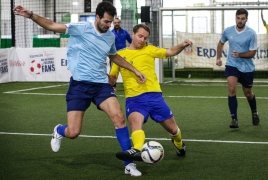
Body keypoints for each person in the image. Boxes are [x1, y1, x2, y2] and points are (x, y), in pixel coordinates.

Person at [13, 2, 146, 177]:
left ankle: (129, 164)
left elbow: (114, 56)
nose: (109, 25)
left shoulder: (110, 36)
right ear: (97, 17)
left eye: (111, 22)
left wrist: (134, 70)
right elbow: (52, 25)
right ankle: (59, 130)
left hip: (100, 85)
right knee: (73, 132)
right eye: (106, 21)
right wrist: (31, 15)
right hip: (79, 86)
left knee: (119, 118)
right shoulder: (80, 28)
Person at [108, 24, 192, 167]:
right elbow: (112, 78)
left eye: (145, 38)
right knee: (135, 124)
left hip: (155, 97)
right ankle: (136, 150)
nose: (142, 40)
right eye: (140, 36)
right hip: (134, 99)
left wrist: (182, 45)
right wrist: (107, 80)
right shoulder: (120, 55)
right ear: (133, 34)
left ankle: (179, 143)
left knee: (173, 130)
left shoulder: (150, 49)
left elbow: (170, 51)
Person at [216, 8, 260, 128]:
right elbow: (220, 43)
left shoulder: (251, 33)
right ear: (235, 18)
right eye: (238, 18)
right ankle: (234, 119)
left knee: (248, 93)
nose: (240, 21)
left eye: (243, 18)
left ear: (246, 19)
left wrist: (240, 54)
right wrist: (218, 58)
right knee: (232, 89)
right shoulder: (228, 31)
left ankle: (254, 112)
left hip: (247, 67)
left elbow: (252, 53)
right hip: (232, 64)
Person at [111, 18, 132, 91]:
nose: (116, 24)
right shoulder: (110, 33)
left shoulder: (125, 32)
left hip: (124, 55)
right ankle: (113, 86)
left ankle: (129, 85)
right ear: (113, 23)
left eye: (118, 22)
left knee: (127, 70)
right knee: (113, 72)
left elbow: (131, 41)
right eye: (115, 23)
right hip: (114, 55)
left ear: (120, 23)